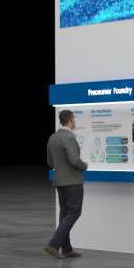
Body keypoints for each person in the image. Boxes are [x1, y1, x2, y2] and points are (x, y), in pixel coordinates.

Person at [45, 110, 88, 259]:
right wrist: (84, 165)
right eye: (74, 119)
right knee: (74, 212)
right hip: (72, 181)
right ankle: (53, 245)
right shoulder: (69, 137)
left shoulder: (53, 137)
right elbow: (75, 160)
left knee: (65, 214)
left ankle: (67, 248)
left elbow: (50, 162)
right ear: (71, 119)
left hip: (60, 181)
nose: (74, 121)